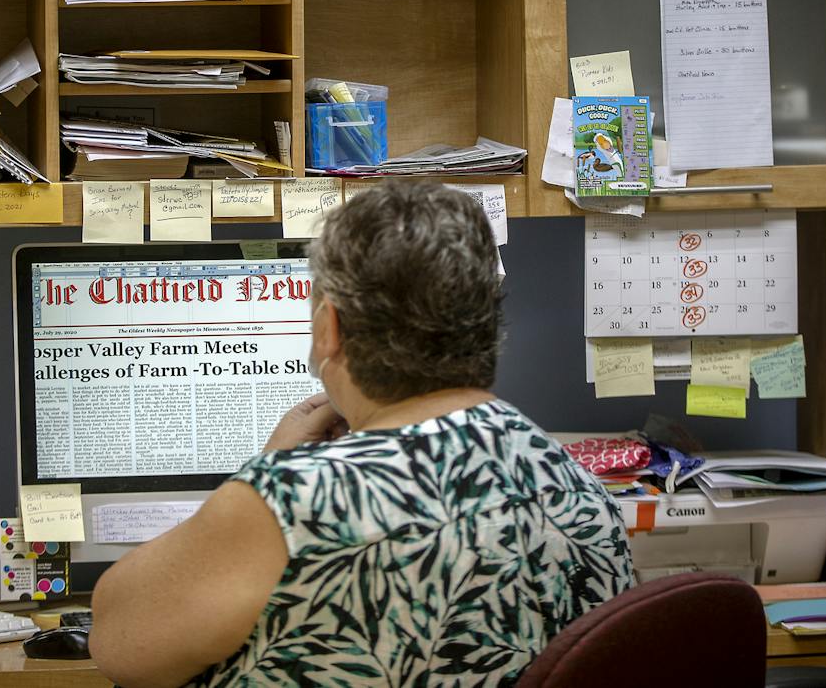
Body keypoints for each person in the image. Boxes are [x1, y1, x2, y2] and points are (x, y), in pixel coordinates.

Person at [89, 182, 635, 687]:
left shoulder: (297, 502)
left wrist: (266, 472)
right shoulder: (581, 490)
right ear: (487, 324)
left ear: (330, 328)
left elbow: (117, 640)